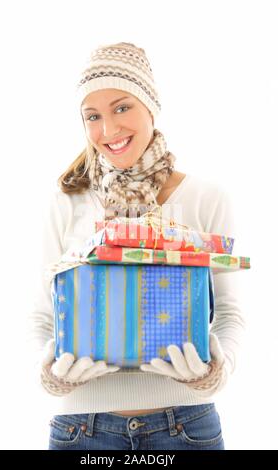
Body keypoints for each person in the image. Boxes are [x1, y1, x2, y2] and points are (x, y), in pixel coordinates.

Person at [28, 42, 245, 451]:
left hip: (187, 424)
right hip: (80, 429)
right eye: (93, 116)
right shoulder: (65, 202)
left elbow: (231, 313)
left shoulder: (207, 197)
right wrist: (49, 374)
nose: (108, 130)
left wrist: (215, 371)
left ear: (151, 106)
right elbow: (40, 315)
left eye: (122, 107)